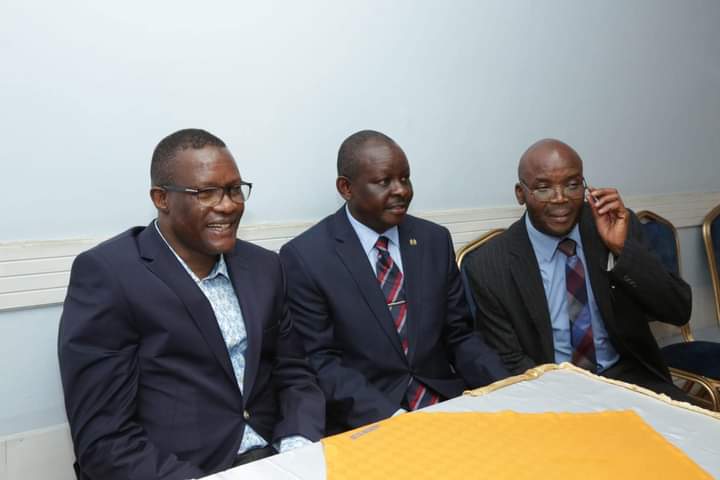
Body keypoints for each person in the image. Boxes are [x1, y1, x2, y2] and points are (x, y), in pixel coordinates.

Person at [58, 129, 324, 480]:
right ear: (161, 198)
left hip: (277, 456)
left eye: (233, 189)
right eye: (206, 192)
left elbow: (295, 374)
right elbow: (105, 439)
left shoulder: (265, 266)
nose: (227, 204)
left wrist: (296, 450)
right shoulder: (109, 275)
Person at [279, 130, 508, 434]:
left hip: (446, 403)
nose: (401, 190)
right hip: (369, 417)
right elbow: (322, 362)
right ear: (346, 188)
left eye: (406, 178)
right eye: (384, 182)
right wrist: (393, 419)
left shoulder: (433, 240)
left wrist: (507, 386)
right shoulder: (306, 256)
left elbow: (460, 335)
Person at [464, 138, 692, 400]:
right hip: (550, 390)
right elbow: (510, 360)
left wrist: (621, 251)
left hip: (629, 379)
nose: (560, 199)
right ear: (520, 193)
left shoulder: (613, 225)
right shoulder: (488, 264)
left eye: (572, 185)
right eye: (543, 188)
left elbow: (678, 310)